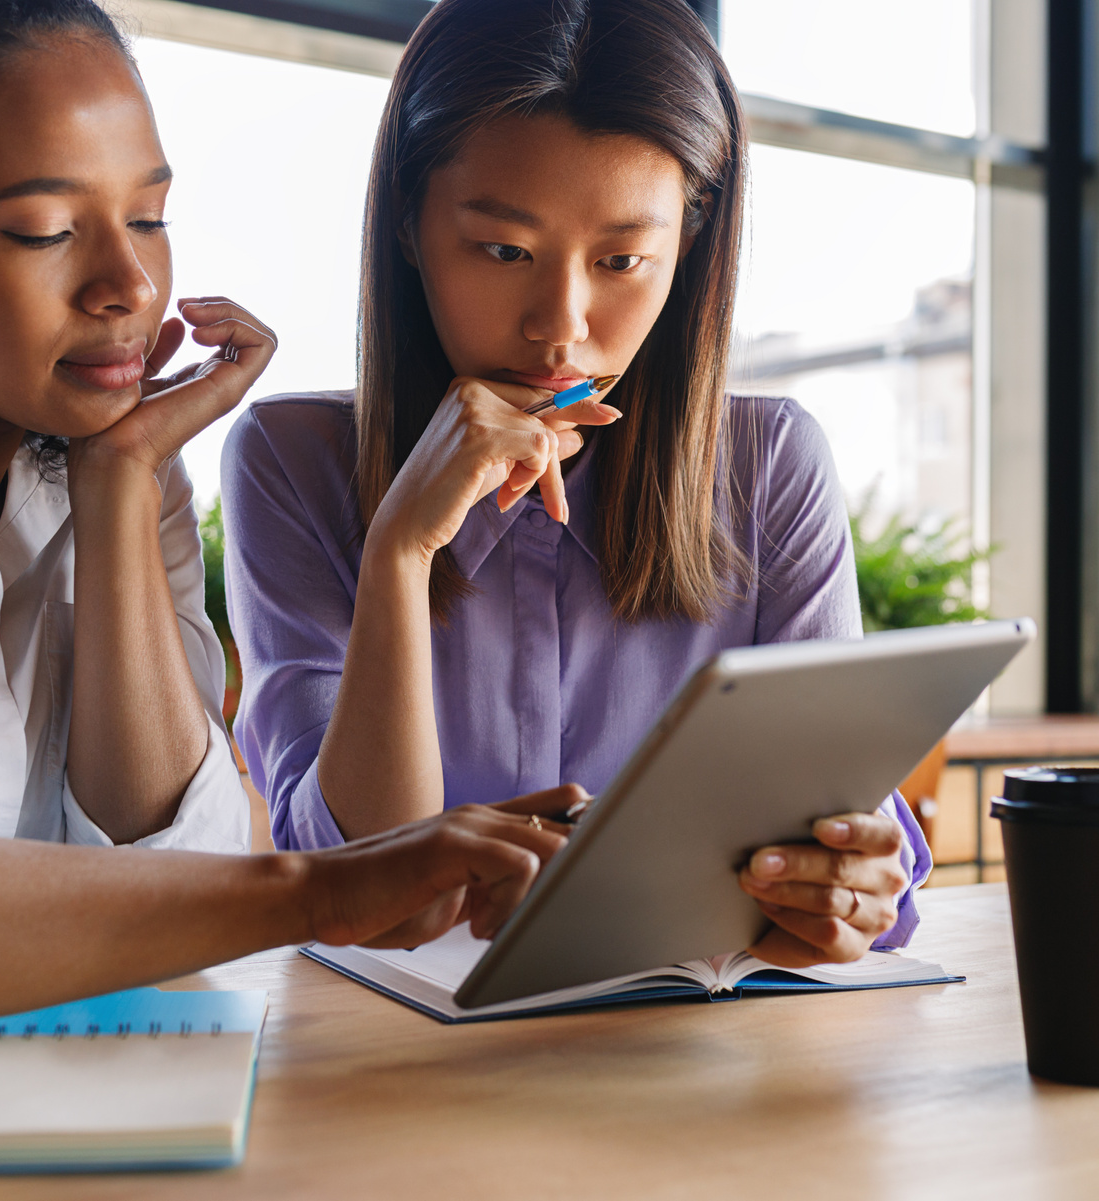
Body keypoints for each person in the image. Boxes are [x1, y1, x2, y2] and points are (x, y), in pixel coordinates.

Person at [0, 0, 574, 1022]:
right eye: (43, 229)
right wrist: (325, 888)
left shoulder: (121, 472)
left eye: (148, 217)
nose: (127, 284)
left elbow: (183, 888)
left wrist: (120, 481)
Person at [225, 0, 927, 968]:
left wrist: (844, 893)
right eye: (503, 251)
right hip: (391, 1067)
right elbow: (357, 894)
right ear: (405, 220)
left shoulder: (769, 466)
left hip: (683, 1059)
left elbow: (848, 856)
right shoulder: (291, 460)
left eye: (621, 261)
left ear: (687, 246)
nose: (559, 327)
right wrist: (399, 550)